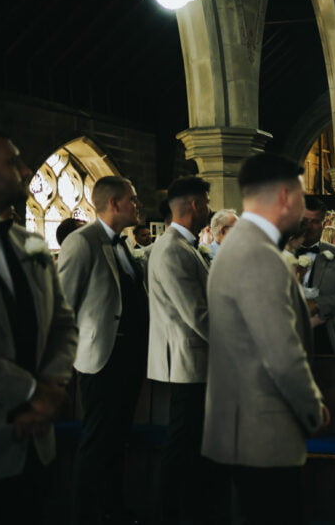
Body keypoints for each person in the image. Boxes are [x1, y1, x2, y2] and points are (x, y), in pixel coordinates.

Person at [203, 153, 328, 524]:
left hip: (244, 422)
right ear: (286, 196)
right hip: (261, 427)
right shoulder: (258, 254)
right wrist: (312, 406)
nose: (304, 209)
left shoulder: (241, 244)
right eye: (304, 197)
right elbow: (282, 353)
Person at [0, 126, 77, 524]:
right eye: (13, 162)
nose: (27, 169)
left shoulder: (29, 243)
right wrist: (32, 392)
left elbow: (65, 322)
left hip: (38, 439)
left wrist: (53, 383)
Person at [58, 175, 149, 524]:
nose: (138, 206)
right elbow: (64, 306)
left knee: (117, 439)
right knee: (97, 441)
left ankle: (112, 509)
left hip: (128, 357)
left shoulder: (123, 244)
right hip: (101, 359)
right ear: (114, 204)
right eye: (133, 199)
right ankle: (83, 514)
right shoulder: (83, 242)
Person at [146, 177, 220, 524]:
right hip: (188, 359)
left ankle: (193, 509)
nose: (209, 207)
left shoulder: (185, 246)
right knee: (182, 443)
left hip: (197, 359)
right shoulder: (172, 248)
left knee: (192, 443)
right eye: (206, 201)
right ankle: (167, 513)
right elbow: (196, 313)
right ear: (194, 205)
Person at [298, 197, 335, 355]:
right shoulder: (280, 252)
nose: (309, 227)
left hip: (327, 334)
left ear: (324, 224)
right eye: (304, 221)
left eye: (315, 222)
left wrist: (316, 305)